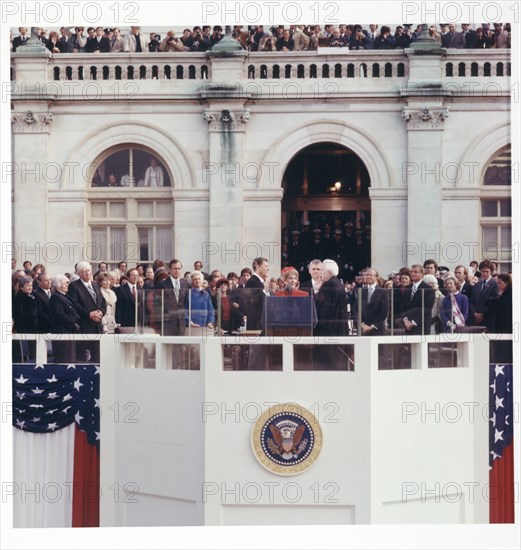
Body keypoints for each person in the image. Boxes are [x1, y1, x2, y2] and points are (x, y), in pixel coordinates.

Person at [67, 261, 106, 362]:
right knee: (81, 356)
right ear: (79, 273)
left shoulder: (95, 284)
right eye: (84, 271)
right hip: (84, 326)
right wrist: (89, 314)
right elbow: (75, 305)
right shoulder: (74, 286)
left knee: (98, 356)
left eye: (88, 270)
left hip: (97, 326)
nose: (87, 273)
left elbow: (102, 301)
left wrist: (101, 312)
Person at [314, 259, 348, 369]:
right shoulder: (337, 284)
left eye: (322, 271)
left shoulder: (328, 285)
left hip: (328, 333)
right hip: (338, 331)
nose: (319, 273)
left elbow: (321, 310)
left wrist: (315, 294)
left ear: (328, 272)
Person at [395, 264, 435, 335]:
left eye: (416, 272)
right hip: (408, 326)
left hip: (422, 326)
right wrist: (406, 320)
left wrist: (413, 322)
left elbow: (426, 309)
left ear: (422, 274)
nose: (413, 273)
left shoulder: (428, 289)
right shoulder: (408, 288)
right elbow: (403, 306)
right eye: (412, 272)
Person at [49, 275, 80, 363]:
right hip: (62, 332)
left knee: (70, 358)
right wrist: (73, 322)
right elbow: (60, 315)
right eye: (65, 283)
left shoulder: (66, 296)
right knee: (63, 358)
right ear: (58, 285)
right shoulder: (56, 298)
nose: (67, 285)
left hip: (69, 332)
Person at [157, 259, 189, 336]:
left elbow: (186, 303)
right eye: (174, 269)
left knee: (181, 346)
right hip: (168, 322)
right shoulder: (162, 284)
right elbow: (159, 304)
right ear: (169, 270)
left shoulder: (185, 284)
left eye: (179, 268)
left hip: (181, 322)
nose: (177, 271)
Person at [469, 259, 499, 331]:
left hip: (488, 319)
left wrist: (482, 315)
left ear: (491, 272)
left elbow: (494, 303)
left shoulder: (495, 284)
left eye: (487, 271)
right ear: (480, 271)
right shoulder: (477, 284)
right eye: (483, 271)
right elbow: (472, 301)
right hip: (475, 320)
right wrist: (475, 314)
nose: (485, 274)